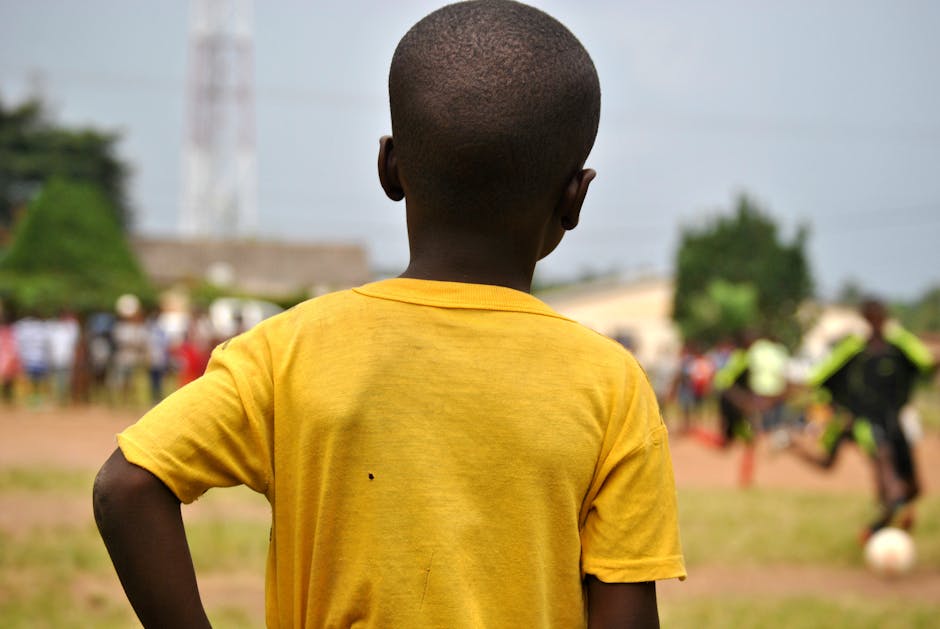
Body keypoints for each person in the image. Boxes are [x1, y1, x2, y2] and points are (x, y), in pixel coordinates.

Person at [93, 2, 686, 627]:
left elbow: (127, 486)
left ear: (390, 167)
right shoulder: (613, 387)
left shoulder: (288, 351)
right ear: (575, 196)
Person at [789, 298, 935, 541]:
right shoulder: (853, 348)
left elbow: (926, 363)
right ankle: (885, 518)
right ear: (866, 318)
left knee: (913, 489)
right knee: (885, 467)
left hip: (897, 419)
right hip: (864, 420)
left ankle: (880, 524)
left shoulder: (900, 343)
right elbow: (820, 376)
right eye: (872, 315)